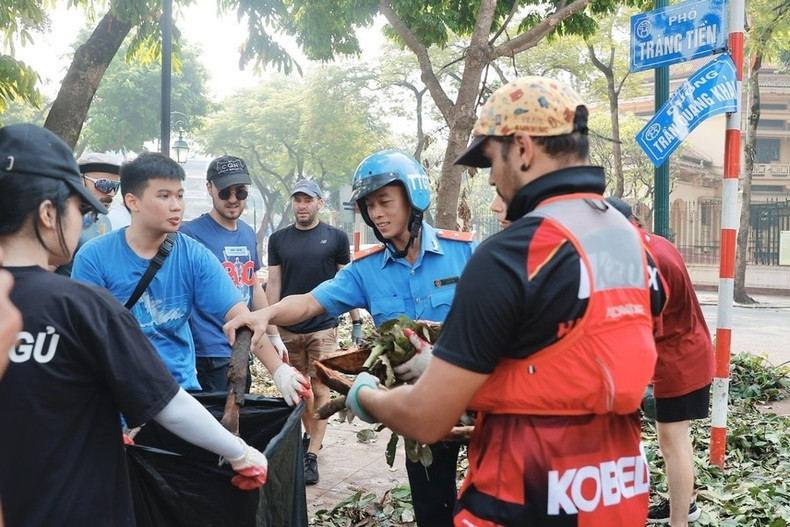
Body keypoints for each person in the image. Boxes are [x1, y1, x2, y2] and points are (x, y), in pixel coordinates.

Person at [340, 77, 668, 525]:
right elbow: (573, 366)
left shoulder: (513, 254)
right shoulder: (632, 243)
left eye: (494, 160)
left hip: (523, 500)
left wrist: (366, 396)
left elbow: (426, 419)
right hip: (616, 496)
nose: (492, 177)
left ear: (523, 149)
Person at [0, 123, 269, 526]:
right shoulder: (84, 308)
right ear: (48, 213)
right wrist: (240, 452)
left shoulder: (184, 257)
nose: (84, 220)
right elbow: (169, 405)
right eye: (80, 209)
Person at [225, 150, 477, 526]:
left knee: (492, 497)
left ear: (414, 197)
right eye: (370, 206)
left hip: (480, 399)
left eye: (385, 202)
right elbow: (309, 302)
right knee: (432, 509)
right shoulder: (366, 270)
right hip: (419, 409)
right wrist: (265, 314)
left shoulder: (465, 252)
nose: (377, 213)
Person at [72, 152, 309, 403]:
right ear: (133, 201)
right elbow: (84, 340)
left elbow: (242, 318)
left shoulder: (194, 255)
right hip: (117, 395)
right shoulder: (94, 257)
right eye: (164, 196)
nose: (176, 205)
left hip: (180, 393)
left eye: (180, 195)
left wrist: (280, 371)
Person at [606, 196, 714, 526]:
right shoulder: (656, 243)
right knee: (676, 439)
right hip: (688, 350)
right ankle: (685, 503)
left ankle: (679, 520)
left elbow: (637, 326)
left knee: (672, 442)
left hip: (678, 361)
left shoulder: (638, 259)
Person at [266, 178, 362, 485]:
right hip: (288, 330)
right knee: (299, 390)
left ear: (320, 203)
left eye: (308, 200)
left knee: (321, 388)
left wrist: (356, 320)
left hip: (323, 327)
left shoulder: (336, 238)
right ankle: (311, 435)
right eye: (297, 200)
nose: (302, 205)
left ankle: (312, 455)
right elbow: (274, 284)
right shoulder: (278, 239)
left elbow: (347, 282)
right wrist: (270, 326)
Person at [181, 155, 286, 392]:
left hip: (242, 346)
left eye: (240, 192)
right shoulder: (190, 235)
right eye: (224, 192)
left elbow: (253, 286)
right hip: (207, 352)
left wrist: (273, 335)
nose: (232, 199)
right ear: (209, 188)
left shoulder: (247, 233)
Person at [55, 152, 121, 276]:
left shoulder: (104, 220)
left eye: (115, 187)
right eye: (104, 185)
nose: (111, 193)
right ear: (80, 181)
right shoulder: (61, 220)